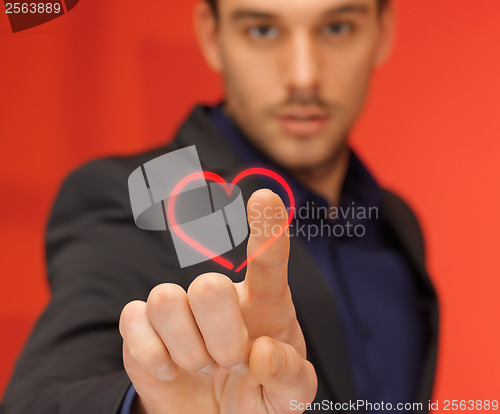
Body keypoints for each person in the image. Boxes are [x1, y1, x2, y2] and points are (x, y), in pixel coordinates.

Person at [0, 0, 439, 413]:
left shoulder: (397, 224)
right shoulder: (141, 195)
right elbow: (33, 403)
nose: (304, 75)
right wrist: (150, 406)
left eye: (337, 27)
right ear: (212, 36)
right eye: (263, 30)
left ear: (382, 32)